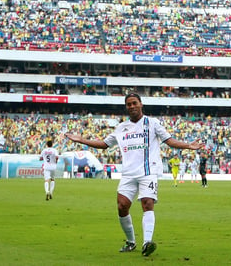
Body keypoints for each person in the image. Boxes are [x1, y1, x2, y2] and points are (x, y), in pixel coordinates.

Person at [66, 92, 202, 257]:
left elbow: (169, 140)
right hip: (128, 173)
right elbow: (103, 144)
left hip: (148, 172)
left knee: (147, 203)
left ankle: (147, 242)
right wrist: (81, 140)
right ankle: (131, 242)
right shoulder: (121, 127)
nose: (132, 106)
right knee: (122, 206)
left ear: (141, 104)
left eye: (134, 103)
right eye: (129, 104)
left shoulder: (152, 123)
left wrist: (188, 145)